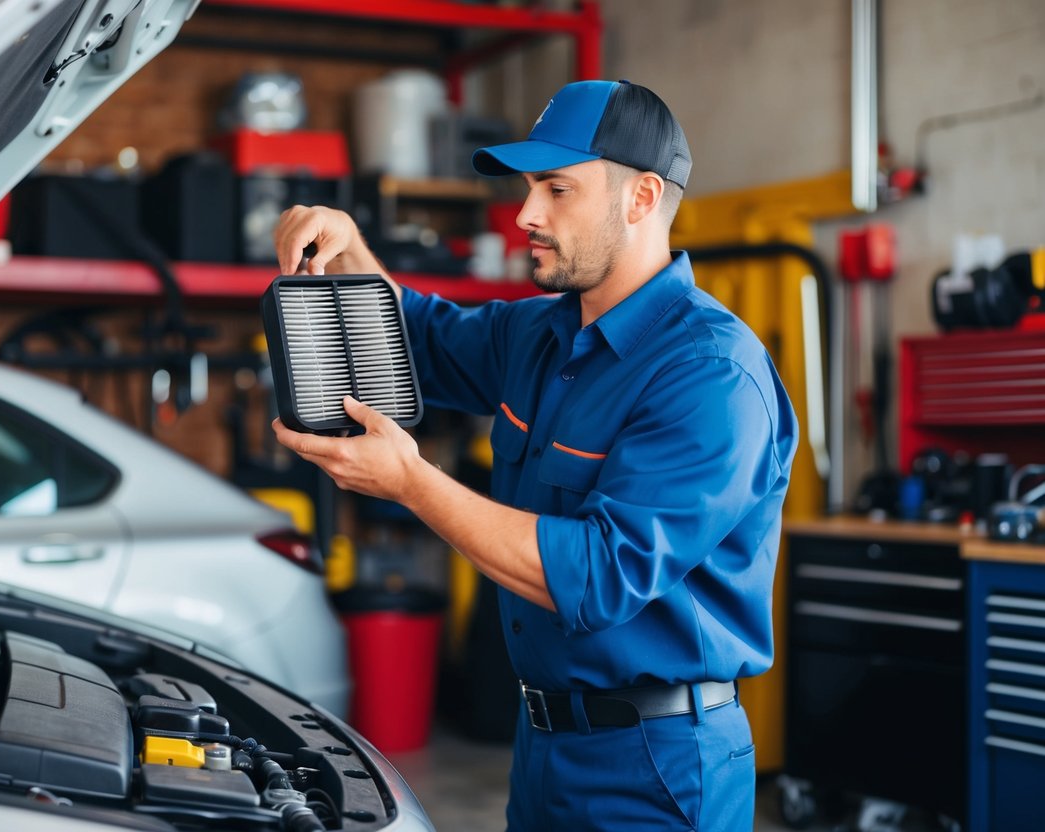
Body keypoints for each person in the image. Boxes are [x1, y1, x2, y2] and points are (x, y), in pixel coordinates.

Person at [272, 79, 798, 832]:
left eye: (557, 189)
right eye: (527, 188)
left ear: (641, 198)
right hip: (545, 745)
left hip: (658, 765)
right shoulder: (539, 335)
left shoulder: (709, 375)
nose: (526, 215)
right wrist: (352, 250)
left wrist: (413, 484)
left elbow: (597, 573)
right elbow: (413, 336)